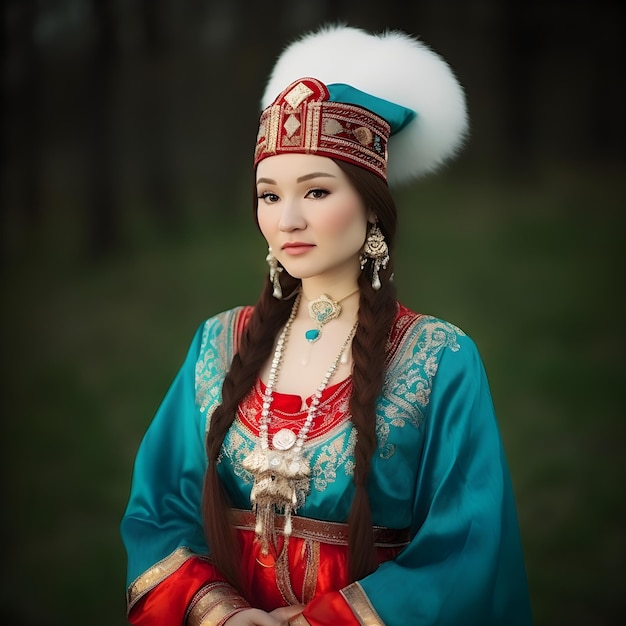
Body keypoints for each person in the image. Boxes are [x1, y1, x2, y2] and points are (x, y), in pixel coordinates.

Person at [120, 24, 533, 626]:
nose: (287, 219)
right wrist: (220, 614)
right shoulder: (218, 344)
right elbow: (161, 509)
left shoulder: (440, 358)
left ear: (370, 205)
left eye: (315, 192)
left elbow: (466, 545)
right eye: (268, 194)